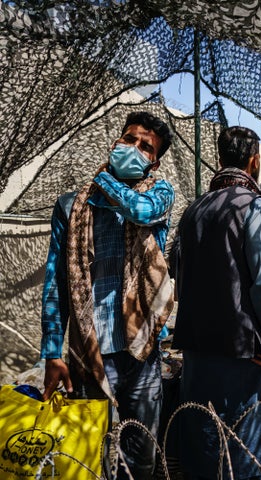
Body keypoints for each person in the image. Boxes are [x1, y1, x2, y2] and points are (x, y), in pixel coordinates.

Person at [40, 111, 175, 480]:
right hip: (90, 349)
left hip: (141, 351)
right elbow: (55, 282)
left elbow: (139, 210)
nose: (134, 148)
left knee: (140, 457)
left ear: (154, 161)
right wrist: (52, 351)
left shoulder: (159, 193)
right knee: (86, 456)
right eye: (129, 139)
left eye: (145, 147)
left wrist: (104, 179)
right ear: (116, 142)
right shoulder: (71, 206)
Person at [173, 126, 261, 479]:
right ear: (255, 161)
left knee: (204, 440)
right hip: (244, 352)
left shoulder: (194, 209)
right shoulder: (256, 206)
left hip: (196, 345)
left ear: (221, 159)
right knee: (244, 447)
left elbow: (182, 277)